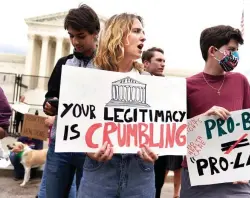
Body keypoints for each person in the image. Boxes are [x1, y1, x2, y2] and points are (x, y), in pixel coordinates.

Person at [77, 13, 158, 198]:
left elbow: (157, 126)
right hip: (100, 171)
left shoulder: (148, 80)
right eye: (137, 31)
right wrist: (87, 149)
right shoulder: (89, 75)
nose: (143, 37)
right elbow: (77, 121)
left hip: (140, 172)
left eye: (143, 32)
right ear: (118, 34)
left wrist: (156, 147)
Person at [180, 25, 250, 198]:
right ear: (213, 51)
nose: (235, 55)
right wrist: (202, 118)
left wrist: (249, 166)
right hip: (198, 174)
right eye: (231, 50)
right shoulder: (187, 85)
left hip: (237, 174)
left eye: (236, 51)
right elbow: (176, 131)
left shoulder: (240, 81)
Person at [42, 4, 100, 198]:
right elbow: (49, 96)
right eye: (71, 35)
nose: (75, 41)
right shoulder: (63, 64)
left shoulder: (106, 67)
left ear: (95, 33)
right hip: (61, 145)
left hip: (91, 147)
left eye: (81, 36)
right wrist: (50, 106)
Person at [142, 47, 182, 198]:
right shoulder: (137, 82)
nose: (162, 64)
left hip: (160, 144)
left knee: (157, 184)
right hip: (139, 144)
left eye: (164, 61)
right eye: (158, 60)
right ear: (146, 63)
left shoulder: (169, 86)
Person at [36, 116, 76, 198]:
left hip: (68, 144)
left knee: (69, 182)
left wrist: (55, 119)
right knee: (48, 180)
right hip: (56, 144)